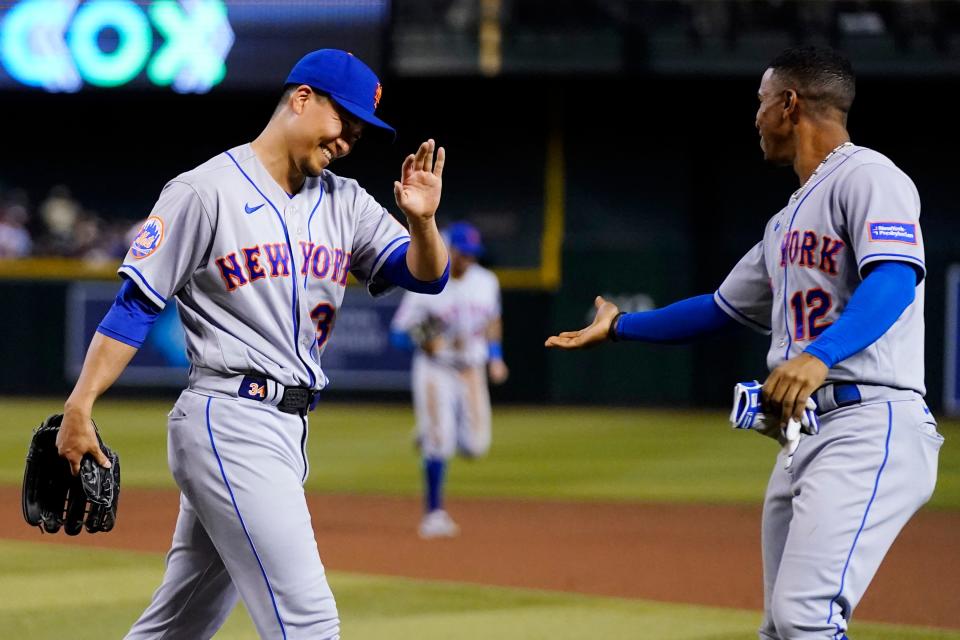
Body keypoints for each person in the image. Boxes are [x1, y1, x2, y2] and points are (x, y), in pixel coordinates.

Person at [546, 45, 942, 639]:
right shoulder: (785, 221)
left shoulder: (869, 175)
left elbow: (894, 278)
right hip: (805, 433)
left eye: (760, 103)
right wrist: (622, 325)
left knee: (805, 615)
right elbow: (718, 308)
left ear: (789, 105)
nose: (755, 117)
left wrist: (819, 354)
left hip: (870, 421)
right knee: (780, 628)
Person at [55, 49, 449, 639]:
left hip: (285, 429)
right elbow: (135, 306)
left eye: (360, 133)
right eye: (344, 121)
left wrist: (422, 221)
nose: (349, 140)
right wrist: (79, 406)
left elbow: (426, 275)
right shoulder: (203, 191)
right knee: (309, 622)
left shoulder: (346, 201)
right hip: (229, 417)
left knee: (179, 625)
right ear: (301, 99)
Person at [390, 221, 508, 538]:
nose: (468, 259)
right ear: (449, 248)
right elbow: (399, 332)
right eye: (463, 253)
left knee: (476, 446)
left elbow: (493, 320)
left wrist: (496, 357)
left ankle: (429, 429)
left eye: (473, 254)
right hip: (436, 367)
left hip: (471, 368)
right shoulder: (428, 281)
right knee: (439, 444)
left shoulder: (486, 281)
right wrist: (428, 340)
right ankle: (433, 514)